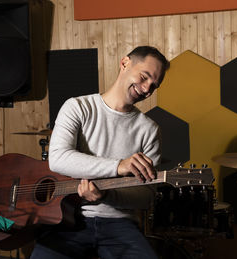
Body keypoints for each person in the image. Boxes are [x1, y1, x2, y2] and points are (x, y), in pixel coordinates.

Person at [30, 46, 169, 259]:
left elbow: (147, 196)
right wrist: (118, 166)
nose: (146, 89)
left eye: (153, 86)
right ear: (124, 63)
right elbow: (57, 158)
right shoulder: (77, 107)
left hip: (120, 224)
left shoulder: (150, 130)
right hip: (68, 219)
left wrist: (106, 194)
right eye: (144, 77)